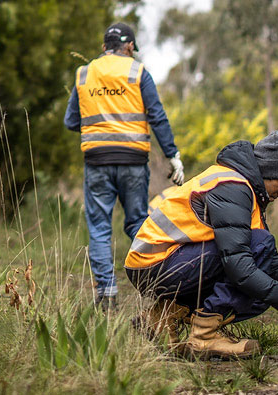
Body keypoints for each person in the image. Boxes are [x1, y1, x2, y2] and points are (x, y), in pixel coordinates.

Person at [124, 133, 278, 360]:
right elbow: (241, 265)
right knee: (253, 259)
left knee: (260, 288)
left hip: (163, 265)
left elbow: (270, 260)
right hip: (155, 265)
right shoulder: (233, 186)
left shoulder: (247, 188)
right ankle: (204, 336)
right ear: (266, 171)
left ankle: (161, 317)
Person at [65, 22, 185, 311]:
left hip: (97, 162)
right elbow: (156, 116)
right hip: (133, 162)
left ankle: (106, 295)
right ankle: (163, 282)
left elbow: (70, 122)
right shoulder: (138, 72)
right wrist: (173, 156)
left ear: (104, 46)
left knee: (99, 228)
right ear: (129, 46)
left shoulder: (84, 73)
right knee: (137, 224)